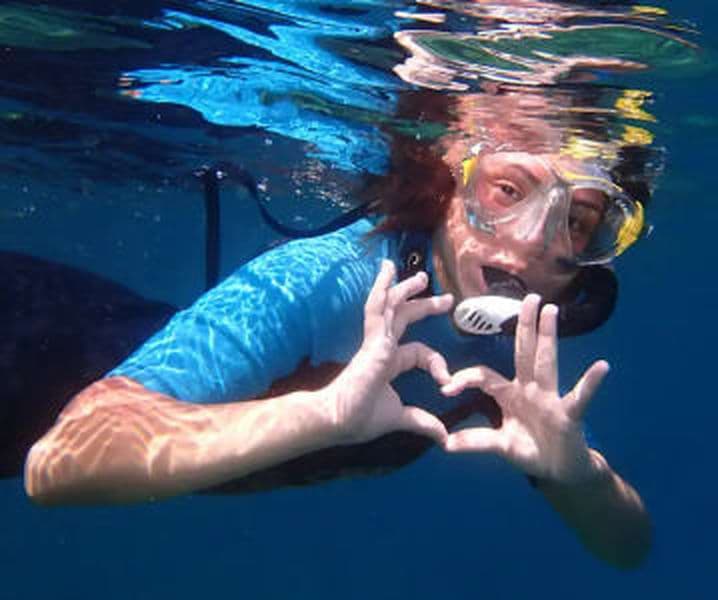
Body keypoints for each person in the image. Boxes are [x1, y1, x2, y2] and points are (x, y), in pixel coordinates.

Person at [24, 91, 654, 569]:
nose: (534, 240)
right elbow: (56, 463)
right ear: (448, 184)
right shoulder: (334, 277)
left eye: (577, 222)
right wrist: (320, 415)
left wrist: (581, 478)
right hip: (33, 341)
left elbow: (626, 549)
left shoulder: (517, 360)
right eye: (508, 191)